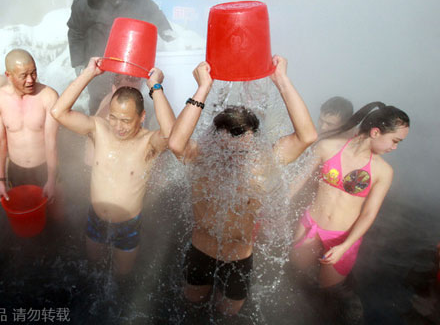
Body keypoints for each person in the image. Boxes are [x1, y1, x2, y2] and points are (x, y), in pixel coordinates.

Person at [168, 56, 317, 315]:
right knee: (191, 307)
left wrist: (281, 81)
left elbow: (308, 136)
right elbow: (176, 143)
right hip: (200, 251)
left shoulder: (264, 163)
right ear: (216, 136)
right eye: (224, 135)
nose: (232, 144)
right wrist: (203, 88)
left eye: (239, 135)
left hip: (238, 260)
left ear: (253, 138)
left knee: (228, 316)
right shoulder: (204, 160)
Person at [50, 57, 175, 277]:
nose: (118, 126)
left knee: (121, 277)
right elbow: (58, 112)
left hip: (127, 225)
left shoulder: (148, 144)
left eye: (126, 120)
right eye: (114, 117)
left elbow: (171, 135)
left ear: (142, 117)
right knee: (93, 270)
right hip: (96, 217)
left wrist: (156, 87)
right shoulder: (100, 129)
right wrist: (89, 73)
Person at [290, 103, 410, 290]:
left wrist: (344, 246)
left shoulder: (383, 171)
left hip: (343, 237)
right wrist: (271, 208)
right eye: (395, 140)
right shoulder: (326, 147)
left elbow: (369, 214)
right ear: (376, 132)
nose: (395, 147)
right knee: (294, 279)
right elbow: (295, 183)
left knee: (327, 292)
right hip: (310, 225)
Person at [67, 0, 175, 114]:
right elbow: (75, 31)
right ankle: (96, 132)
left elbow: (153, 13)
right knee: (99, 99)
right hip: (99, 58)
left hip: (127, 58)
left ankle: (132, 132)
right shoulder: (85, 1)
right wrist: (78, 62)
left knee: (130, 97)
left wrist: (166, 32)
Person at [0, 49, 62, 219]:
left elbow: (51, 141)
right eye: (23, 75)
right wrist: (0, 180)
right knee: (23, 215)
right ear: (9, 75)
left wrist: (51, 179)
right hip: (16, 169)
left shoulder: (48, 96)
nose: (30, 80)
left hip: (45, 166)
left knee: (56, 215)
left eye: (34, 73)